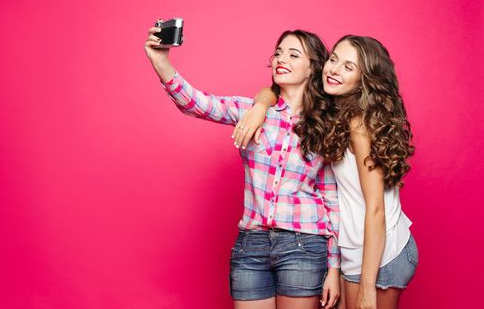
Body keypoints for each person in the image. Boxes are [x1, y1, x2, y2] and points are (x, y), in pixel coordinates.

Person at [144, 25, 341, 309]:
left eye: (293, 54)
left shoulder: (325, 125)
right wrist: (160, 60)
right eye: (278, 53)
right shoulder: (252, 111)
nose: (281, 59)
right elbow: (197, 104)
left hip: (304, 245)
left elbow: (330, 199)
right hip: (252, 244)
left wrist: (334, 268)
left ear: (313, 69)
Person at [239, 35, 418, 309]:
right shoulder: (334, 110)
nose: (334, 69)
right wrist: (262, 103)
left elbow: (376, 208)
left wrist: (367, 288)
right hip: (355, 248)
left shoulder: (359, 121)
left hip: (379, 253)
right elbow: (280, 92)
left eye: (348, 67)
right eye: (334, 60)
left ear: (364, 79)